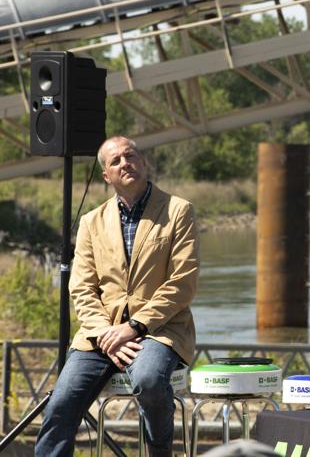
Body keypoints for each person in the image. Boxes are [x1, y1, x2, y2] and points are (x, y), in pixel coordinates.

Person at [36, 136, 199, 457]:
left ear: (143, 161)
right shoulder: (90, 222)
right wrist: (104, 332)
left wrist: (135, 326)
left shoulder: (178, 210)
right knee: (61, 402)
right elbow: (81, 287)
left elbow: (183, 282)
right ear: (106, 176)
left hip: (158, 330)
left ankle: (160, 451)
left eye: (131, 155)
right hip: (101, 334)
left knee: (150, 380)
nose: (125, 163)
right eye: (116, 161)